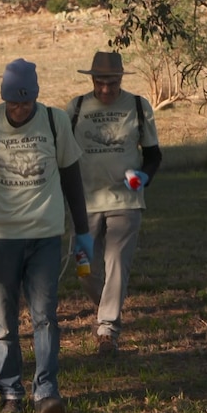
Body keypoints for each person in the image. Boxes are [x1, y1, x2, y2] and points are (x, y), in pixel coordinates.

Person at [0, 58, 93, 413]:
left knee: (45, 316)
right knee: (4, 321)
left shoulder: (55, 120)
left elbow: (71, 177)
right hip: (1, 236)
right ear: (2, 98)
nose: (19, 110)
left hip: (45, 235)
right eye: (12, 103)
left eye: (25, 103)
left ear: (35, 96)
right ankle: (11, 393)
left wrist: (82, 231)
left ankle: (47, 393)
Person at [68, 52, 162, 355]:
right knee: (84, 267)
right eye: (99, 83)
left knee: (117, 264)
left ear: (121, 79)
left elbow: (153, 155)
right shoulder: (77, 107)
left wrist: (143, 177)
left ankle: (107, 329)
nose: (105, 89)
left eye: (111, 83)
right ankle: (105, 307)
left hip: (126, 200)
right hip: (85, 201)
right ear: (91, 80)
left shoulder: (137, 105)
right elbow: (62, 155)